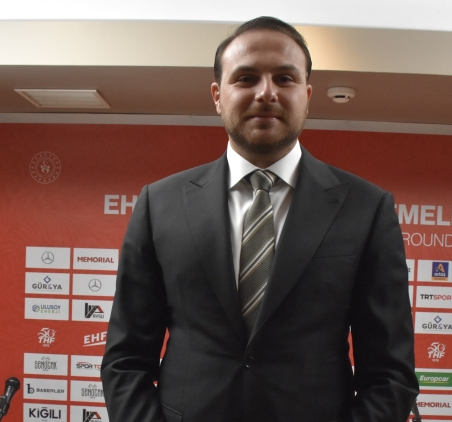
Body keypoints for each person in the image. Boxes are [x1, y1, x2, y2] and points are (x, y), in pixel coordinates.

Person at [101, 16, 419, 422]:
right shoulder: (160, 204)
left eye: (284, 79)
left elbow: (390, 375)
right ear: (218, 95)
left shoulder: (366, 209)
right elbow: (126, 360)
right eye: (246, 78)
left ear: (306, 95)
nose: (266, 92)